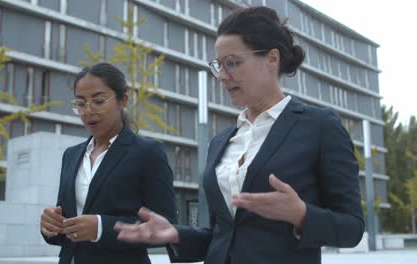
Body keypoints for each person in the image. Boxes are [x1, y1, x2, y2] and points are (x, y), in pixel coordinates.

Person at [114, 6, 364, 264]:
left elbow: (352, 227)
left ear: (271, 59)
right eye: (218, 65)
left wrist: (301, 214)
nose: (222, 76)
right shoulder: (220, 142)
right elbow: (223, 234)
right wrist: (175, 234)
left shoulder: (320, 126)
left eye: (232, 63)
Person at [40, 62, 176, 264]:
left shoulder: (148, 152)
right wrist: (50, 227)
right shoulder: (71, 155)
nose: (88, 110)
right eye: (80, 103)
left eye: (99, 101)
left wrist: (102, 227)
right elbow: (67, 225)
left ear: (122, 100)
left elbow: (166, 226)